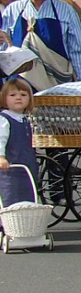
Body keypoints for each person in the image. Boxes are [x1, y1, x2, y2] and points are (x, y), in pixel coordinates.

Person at [0, 0, 81, 87]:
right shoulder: (13, 10)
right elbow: (3, 47)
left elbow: (78, 51)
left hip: (56, 82)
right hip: (20, 85)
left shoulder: (66, 11)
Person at [0, 76, 38, 206]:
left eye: (23, 94)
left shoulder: (26, 119)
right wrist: (1, 157)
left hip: (27, 165)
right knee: (10, 195)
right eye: (13, 95)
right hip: (11, 166)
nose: (18, 97)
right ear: (4, 99)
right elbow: (1, 139)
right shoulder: (4, 119)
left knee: (28, 194)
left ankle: (24, 222)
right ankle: (7, 222)